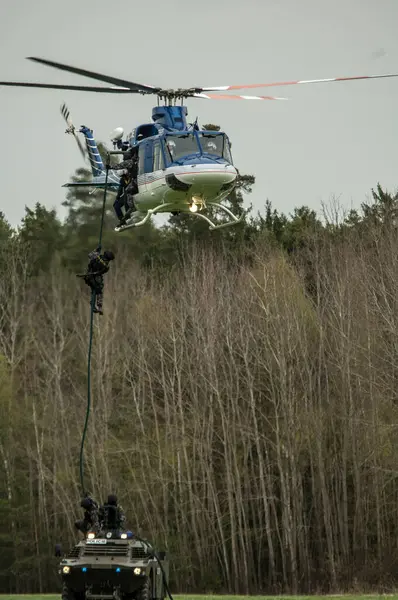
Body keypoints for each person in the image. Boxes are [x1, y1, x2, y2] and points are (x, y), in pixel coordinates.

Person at [77, 247, 115, 315]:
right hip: (95, 279)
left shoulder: (96, 256)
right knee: (99, 291)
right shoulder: (106, 266)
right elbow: (102, 272)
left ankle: (93, 304)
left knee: (94, 289)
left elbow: (89, 255)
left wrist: (96, 250)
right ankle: (98, 306)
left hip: (88, 277)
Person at [109, 146, 139, 226]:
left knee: (127, 192)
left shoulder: (131, 164)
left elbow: (121, 165)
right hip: (132, 189)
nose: (124, 177)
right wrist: (117, 197)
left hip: (135, 187)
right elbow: (120, 189)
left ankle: (129, 213)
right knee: (116, 204)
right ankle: (123, 219)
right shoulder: (123, 180)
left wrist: (111, 167)